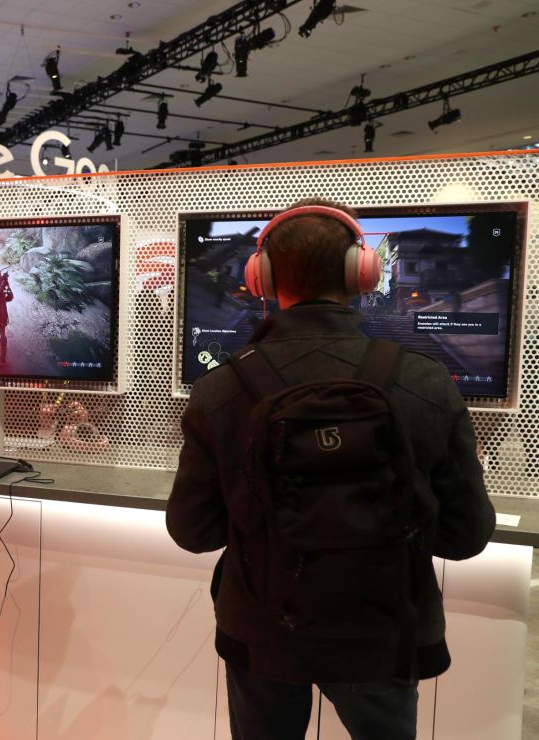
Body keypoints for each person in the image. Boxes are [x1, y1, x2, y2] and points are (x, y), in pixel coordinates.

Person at [165, 198, 495, 740]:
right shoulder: (428, 383)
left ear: (263, 277)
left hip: (262, 634)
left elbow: (193, 532)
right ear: (361, 273)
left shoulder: (219, 391)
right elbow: (465, 536)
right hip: (386, 633)